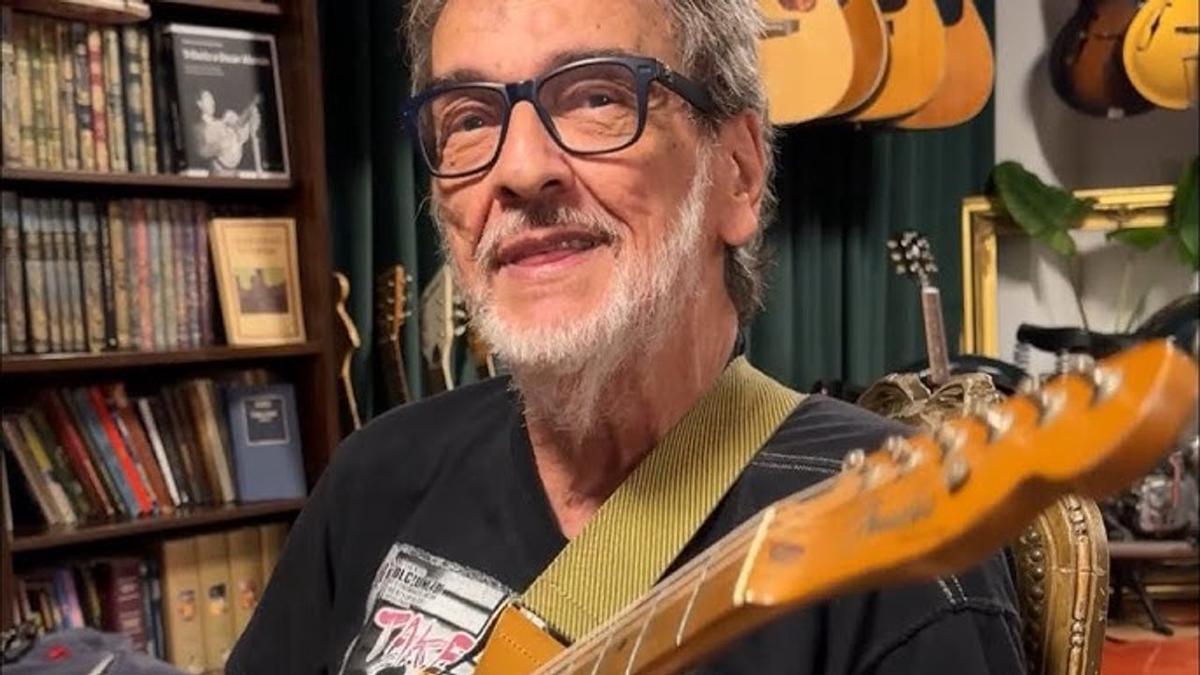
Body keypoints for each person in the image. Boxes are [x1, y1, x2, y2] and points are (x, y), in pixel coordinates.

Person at [228, 1, 1025, 673]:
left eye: (596, 96)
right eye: (469, 118)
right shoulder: (377, 474)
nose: (519, 168)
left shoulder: (899, 537)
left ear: (739, 172)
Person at [191, 90, 261, 175]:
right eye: (208, 99)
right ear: (199, 103)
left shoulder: (221, 122)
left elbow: (238, 126)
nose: (212, 102)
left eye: (212, 99)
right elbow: (201, 151)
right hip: (219, 172)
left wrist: (250, 110)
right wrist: (220, 146)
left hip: (233, 172)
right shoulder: (198, 127)